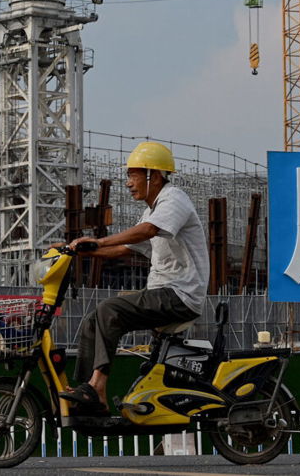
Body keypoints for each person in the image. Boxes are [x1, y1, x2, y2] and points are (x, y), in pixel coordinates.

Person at [62, 141, 209, 412]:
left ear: (153, 175)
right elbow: (123, 248)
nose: (129, 183)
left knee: (109, 309)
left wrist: (98, 240)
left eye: (133, 176)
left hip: (180, 295)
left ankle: (97, 388)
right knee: (93, 318)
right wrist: (80, 252)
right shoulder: (153, 209)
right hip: (164, 294)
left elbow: (147, 231)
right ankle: (86, 390)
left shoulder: (173, 199)